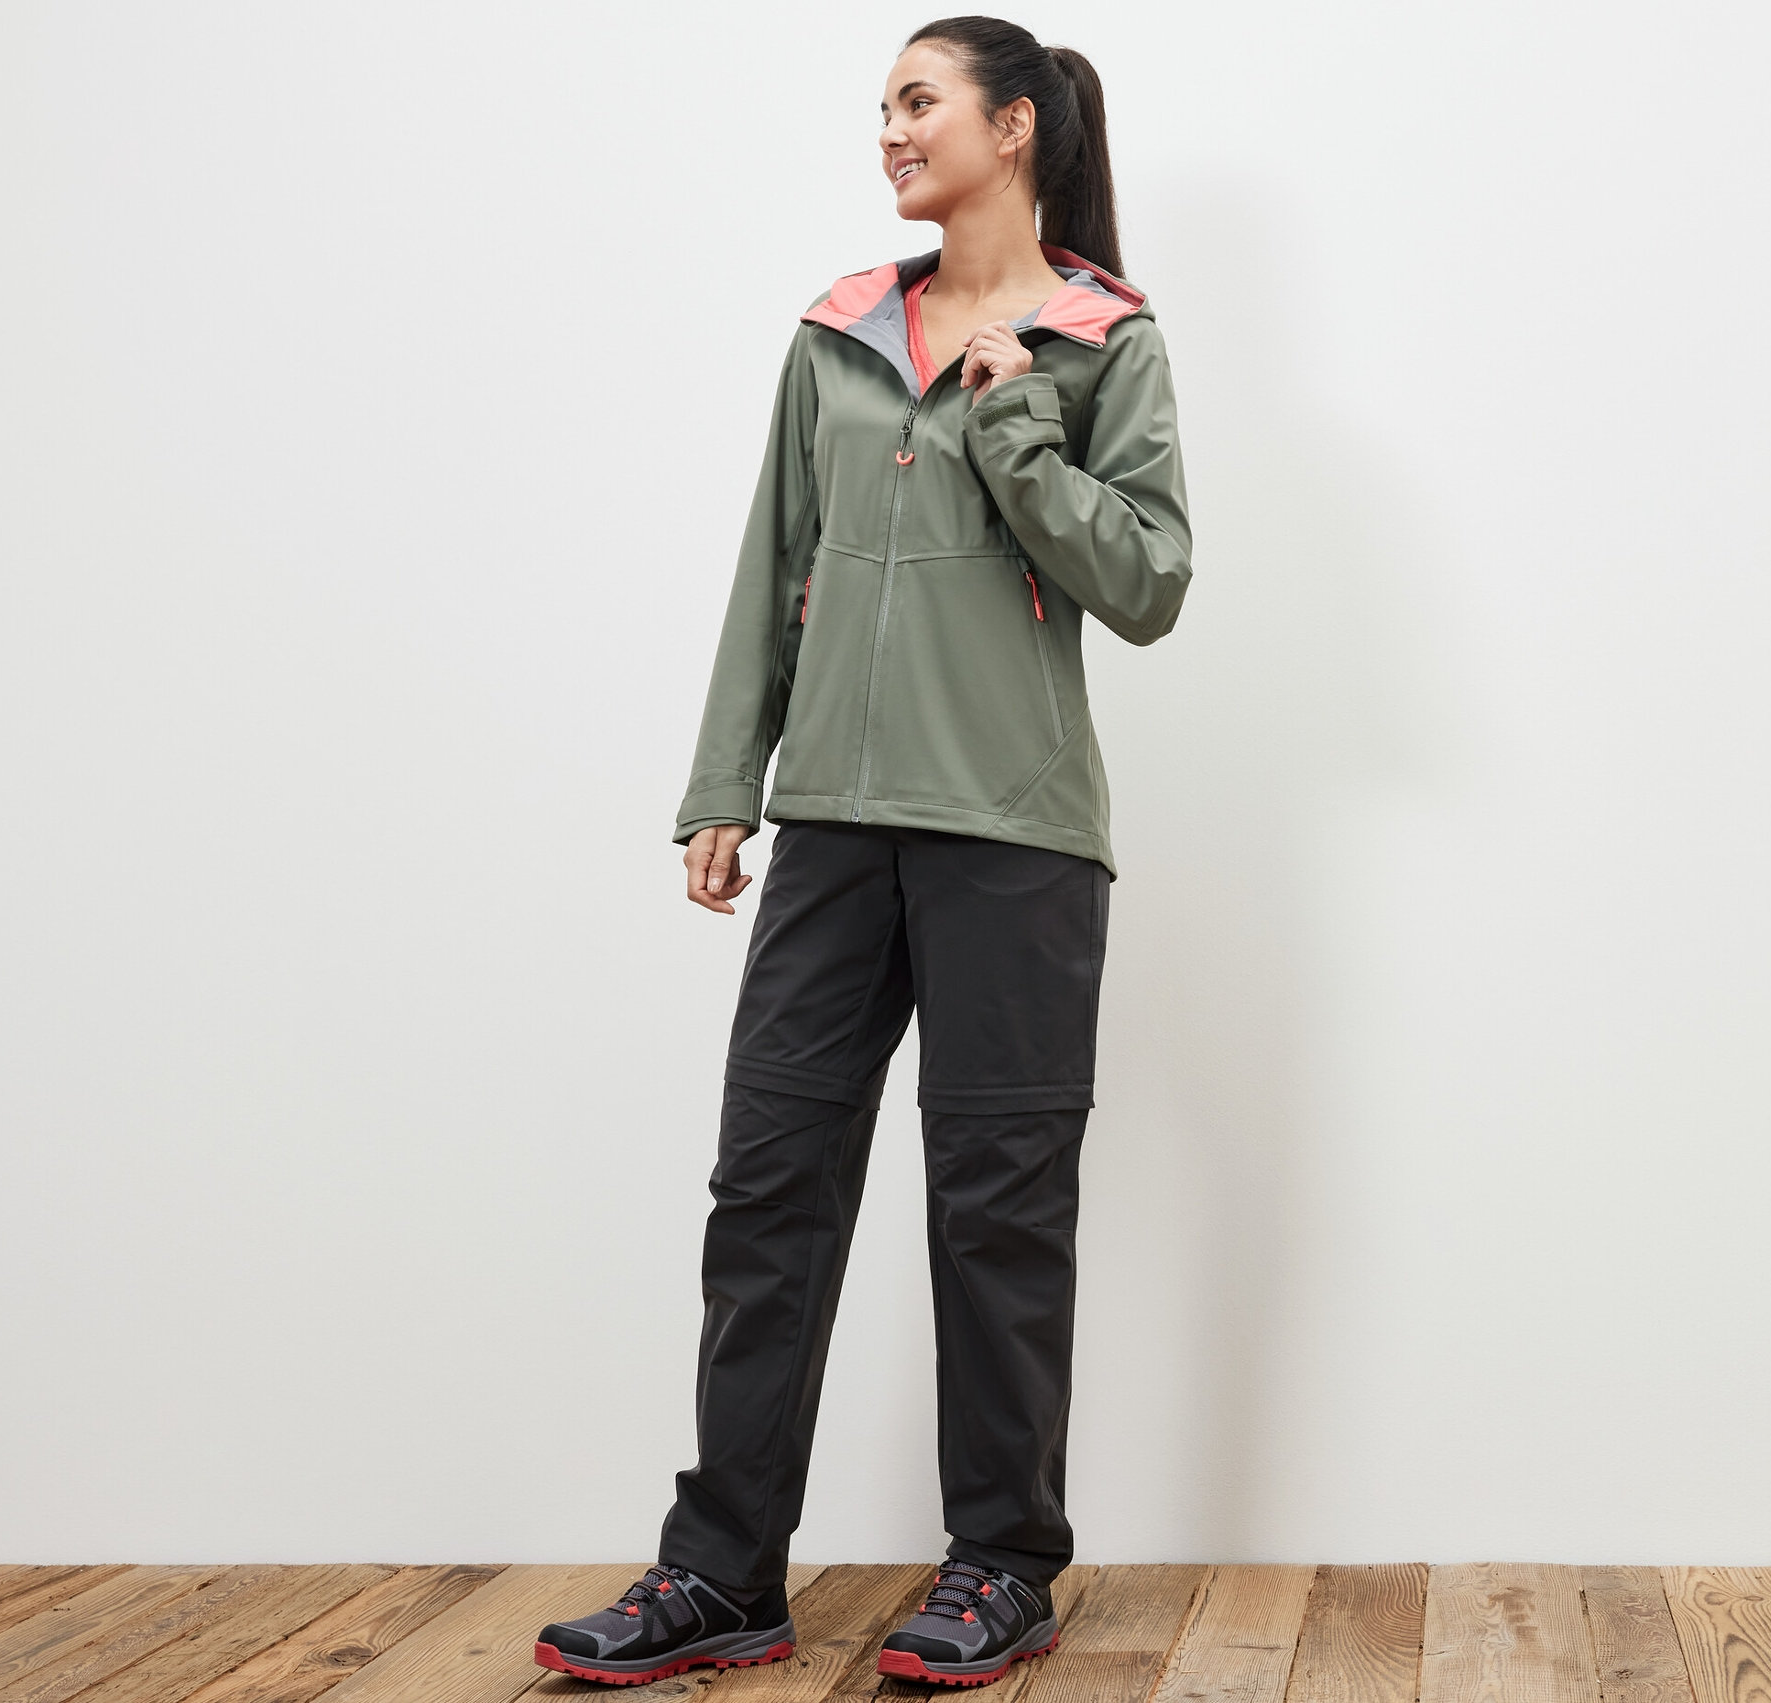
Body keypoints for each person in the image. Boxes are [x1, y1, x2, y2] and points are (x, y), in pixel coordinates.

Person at [536, 13, 1192, 1690]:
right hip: (831, 827)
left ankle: (1001, 1566)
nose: (890, 132)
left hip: (1015, 837)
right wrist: (722, 784)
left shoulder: (1103, 338)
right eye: (882, 107)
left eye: (919, 102)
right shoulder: (835, 334)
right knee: (768, 1188)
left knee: (995, 1208)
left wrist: (1022, 435)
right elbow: (775, 559)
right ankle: (720, 1574)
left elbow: (1152, 586)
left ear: (1016, 126)